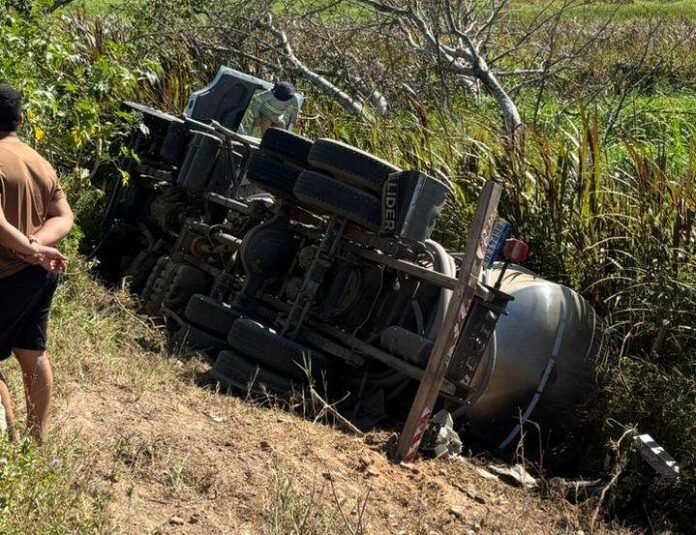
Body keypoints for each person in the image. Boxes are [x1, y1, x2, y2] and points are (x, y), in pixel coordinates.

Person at [0, 84, 73, 444]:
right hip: (39, 275)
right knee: (33, 354)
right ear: (21, 120)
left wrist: (29, 248)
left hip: (6, 275)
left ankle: (10, 440)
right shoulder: (40, 163)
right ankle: (36, 443)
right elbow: (64, 216)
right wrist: (38, 248)